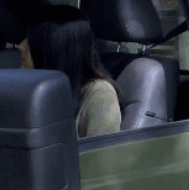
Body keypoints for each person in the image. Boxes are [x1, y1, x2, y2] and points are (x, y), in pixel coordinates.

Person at [25, 8, 121, 138]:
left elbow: (101, 157)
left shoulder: (100, 94)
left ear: (53, 51)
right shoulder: (38, 91)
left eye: (32, 41)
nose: (20, 46)